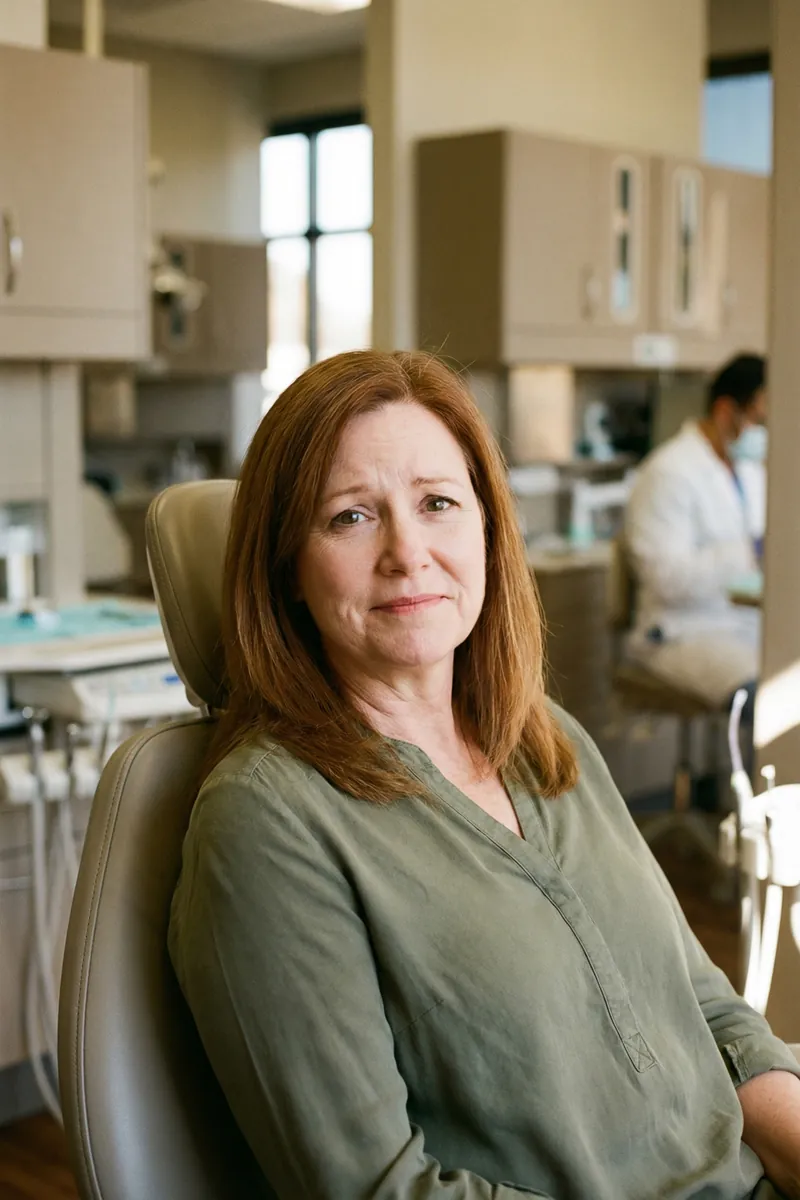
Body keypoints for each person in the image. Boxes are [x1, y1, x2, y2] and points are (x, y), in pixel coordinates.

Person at [169, 350, 800, 1200]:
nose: (408, 552)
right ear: (287, 570)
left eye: (438, 503)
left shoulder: (544, 740)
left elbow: (702, 1004)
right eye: (350, 516)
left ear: (488, 529)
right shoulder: (266, 826)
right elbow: (380, 1189)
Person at [625, 354, 768, 708]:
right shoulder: (668, 472)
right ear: (726, 411)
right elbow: (665, 578)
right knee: (771, 701)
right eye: (759, 419)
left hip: (743, 624)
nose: (765, 432)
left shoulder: (750, 471)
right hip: (682, 631)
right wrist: (751, 551)